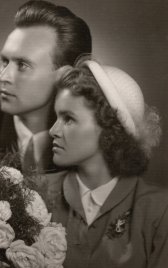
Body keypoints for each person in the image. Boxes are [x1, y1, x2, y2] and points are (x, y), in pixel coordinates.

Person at [47, 58, 168, 268]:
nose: (53, 131)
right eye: (56, 117)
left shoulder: (159, 209)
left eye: (68, 119)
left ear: (109, 127)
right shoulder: (36, 192)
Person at [0, 0, 91, 173]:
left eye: (22, 65)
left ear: (64, 76)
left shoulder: (92, 142)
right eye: (5, 61)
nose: (2, 77)